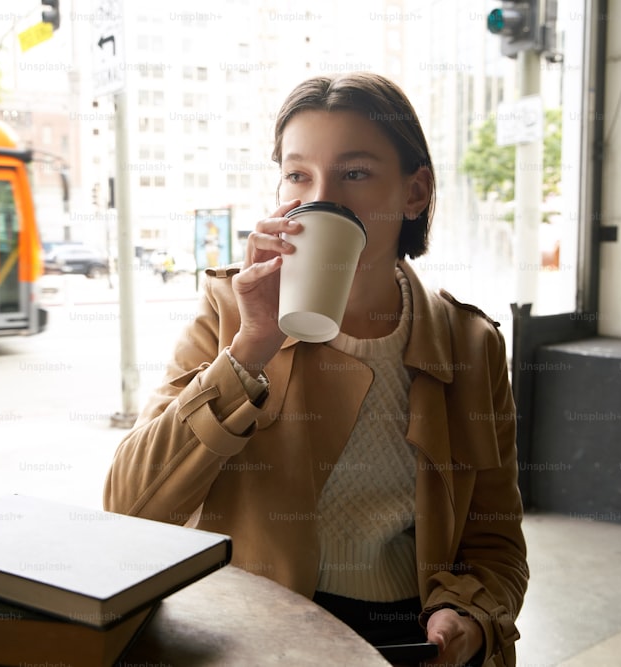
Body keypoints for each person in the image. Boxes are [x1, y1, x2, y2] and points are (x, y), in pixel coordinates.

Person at [103, 72, 528, 667]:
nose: (321, 198)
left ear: (414, 192)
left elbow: (497, 542)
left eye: (355, 173)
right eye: (299, 174)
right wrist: (251, 347)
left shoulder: (470, 344)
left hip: (409, 640)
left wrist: (473, 618)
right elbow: (130, 504)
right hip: (253, 635)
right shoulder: (231, 313)